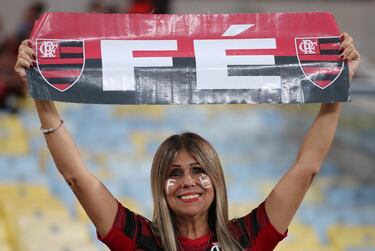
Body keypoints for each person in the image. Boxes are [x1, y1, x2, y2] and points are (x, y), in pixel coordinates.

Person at [14, 32, 360, 251]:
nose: (188, 182)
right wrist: (41, 93)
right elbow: (77, 178)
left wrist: (336, 86)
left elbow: (307, 169)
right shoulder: (138, 240)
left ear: (217, 178)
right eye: (174, 173)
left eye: (198, 170)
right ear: (159, 183)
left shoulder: (246, 238)